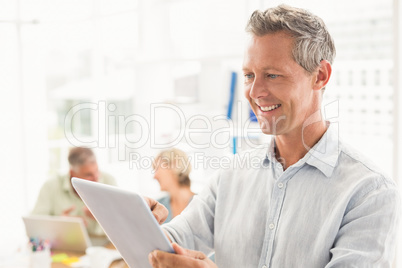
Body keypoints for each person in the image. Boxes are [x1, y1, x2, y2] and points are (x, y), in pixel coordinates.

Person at [145, 4, 401, 268]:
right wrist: (133, 220)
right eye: (249, 75)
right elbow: (169, 244)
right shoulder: (231, 175)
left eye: (272, 75)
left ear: (320, 76)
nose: (255, 92)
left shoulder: (370, 193)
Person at [32, 147, 116, 237]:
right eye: (88, 174)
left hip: (103, 245)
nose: (96, 177)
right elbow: (34, 226)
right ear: (72, 173)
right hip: (64, 245)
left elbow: (122, 223)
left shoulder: (108, 181)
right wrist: (60, 224)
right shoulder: (51, 186)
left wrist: (102, 216)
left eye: (96, 171)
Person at [153, 148, 195, 223]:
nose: (155, 176)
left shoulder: (203, 203)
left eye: (157, 169)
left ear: (174, 165)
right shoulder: (157, 206)